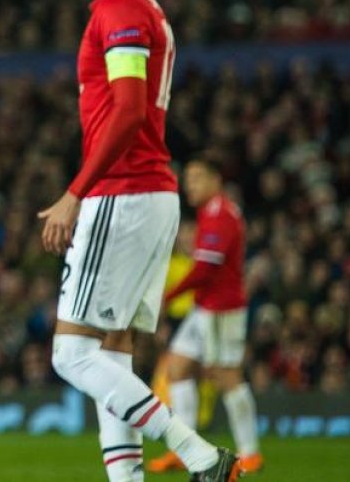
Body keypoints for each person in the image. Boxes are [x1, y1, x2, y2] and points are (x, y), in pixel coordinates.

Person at [38, 0, 240, 482]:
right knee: (112, 353)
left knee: (71, 354)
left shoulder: (120, 11)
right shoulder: (144, 8)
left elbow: (127, 111)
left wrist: (77, 191)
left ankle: (201, 455)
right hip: (149, 196)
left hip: (123, 194)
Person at [147, 155, 262, 474]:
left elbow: (206, 269)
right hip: (205, 307)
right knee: (178, 368)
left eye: (198, 178)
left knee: (226, 376)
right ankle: (187, 450)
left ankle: (250, 452)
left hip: (222, 309)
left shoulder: (221, 214)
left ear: (216, 180)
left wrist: (168, 298)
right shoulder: (210, 213)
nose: (190, 185)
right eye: (189, 178)